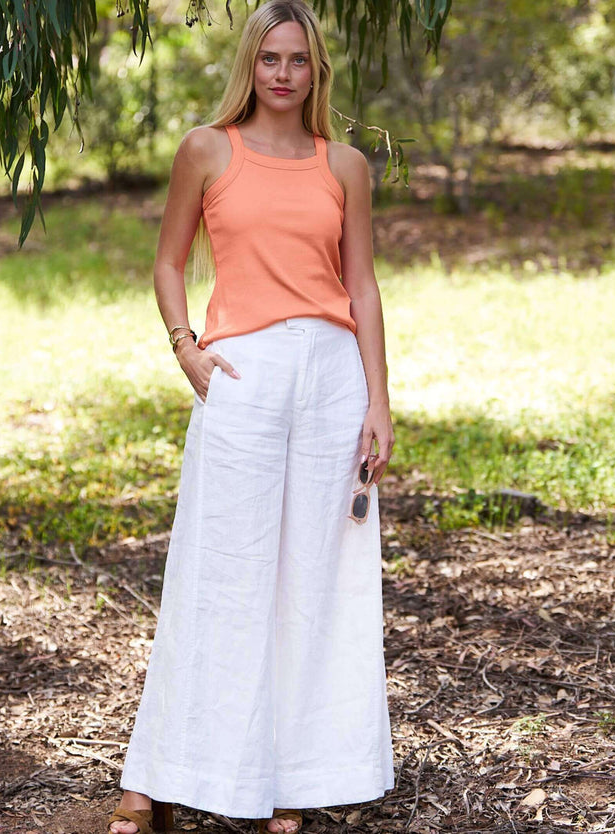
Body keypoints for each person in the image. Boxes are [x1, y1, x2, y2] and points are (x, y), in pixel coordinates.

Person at [107, 1, 395, 832]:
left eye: (298, 60)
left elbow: (362, 285)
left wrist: (379, 399)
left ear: (316, 69)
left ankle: (289, 782)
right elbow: (168, 262)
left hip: (332, 379)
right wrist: (184, 346)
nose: (283, 73)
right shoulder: (207, 149)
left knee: (315, 580)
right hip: (242, 373)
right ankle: (155, 777)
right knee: (217, 570)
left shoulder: (345, 165)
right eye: (270, 58)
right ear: (250, 64)